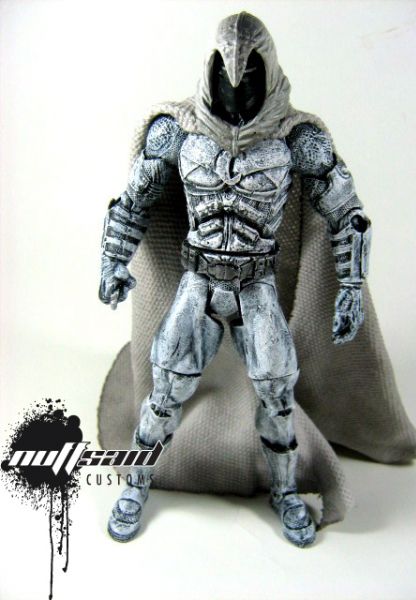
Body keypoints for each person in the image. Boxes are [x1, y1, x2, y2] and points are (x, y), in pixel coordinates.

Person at [99, 12, 372, 547]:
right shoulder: (176, 131)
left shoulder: (297, 138)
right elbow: (133, 203)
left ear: (267, 73)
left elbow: (346, 215)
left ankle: (285, 491)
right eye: (227, 75)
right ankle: (136, 484)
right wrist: (112, 260)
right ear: (210, 71)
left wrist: (351, 287)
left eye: (249, 76)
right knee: (165, 389)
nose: (237, 87)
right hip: (198, 278)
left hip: (256, 282)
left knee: (277, 393)